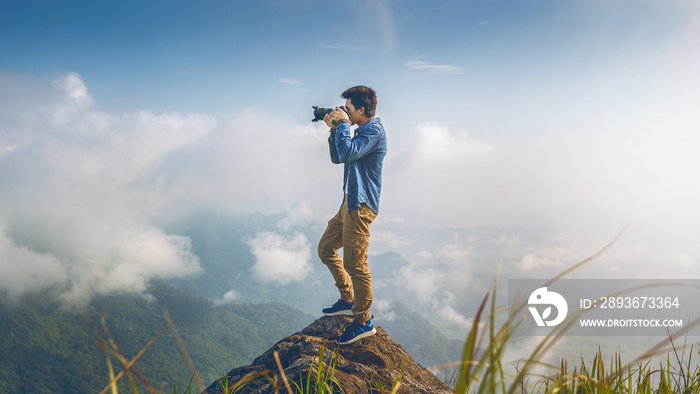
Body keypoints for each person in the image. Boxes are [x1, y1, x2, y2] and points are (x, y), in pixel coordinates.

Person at [318, 85, 387, 345]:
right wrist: (335, 129)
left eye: (347, 109)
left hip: (361, 206)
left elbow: (348, 153)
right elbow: (339, 157)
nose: (343, 112)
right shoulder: (358, 131)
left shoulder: (374, 132)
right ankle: (347, 298)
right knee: (325, 249)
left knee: (356, 265)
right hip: (348, 202)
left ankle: (363, 321)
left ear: (361, 110)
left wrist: (344, 125)